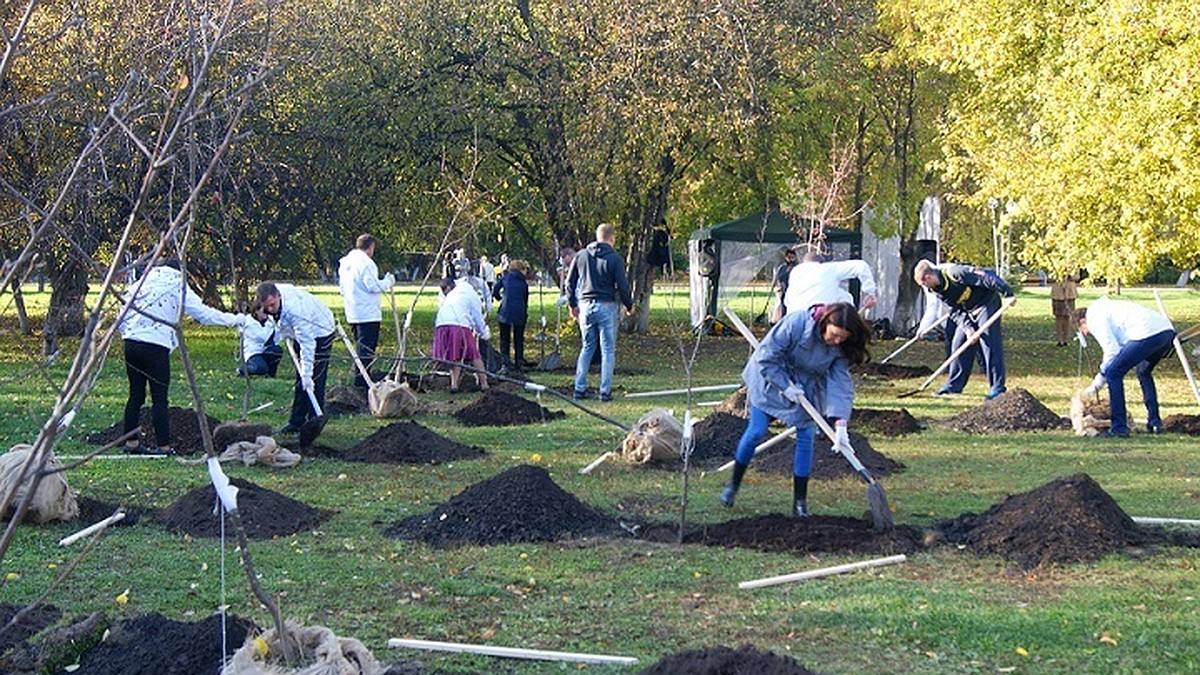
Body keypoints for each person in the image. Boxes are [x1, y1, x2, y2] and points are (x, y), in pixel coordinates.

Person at [720, 303, 872, 518]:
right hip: (770, 380)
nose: (837, 341)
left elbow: (840, 385)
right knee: (756, 431)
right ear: (824, 323)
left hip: (805, 390)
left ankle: (799, 503)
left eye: (842, 338)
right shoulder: (797, 323)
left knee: (806, 438)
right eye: (834, 335)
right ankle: (732, 486)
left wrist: (841, 425)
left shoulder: (841, 348)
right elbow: (766, 357)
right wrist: (786, 385)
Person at [117, 259, 248, 455]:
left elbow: (122, 313)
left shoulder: (142, 282)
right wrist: (237, 320)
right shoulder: (177, 285)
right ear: (181, 272)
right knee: (160, 399)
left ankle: (131, 442)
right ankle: (164, 446)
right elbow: (203, 315)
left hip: (131, 343)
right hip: (156, 345)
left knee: (135, 395)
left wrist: (126, 334)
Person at [914, 260, 1015, 399]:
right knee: (958, 343)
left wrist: (1007, 292)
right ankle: (953, 386)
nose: (926, 288)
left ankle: (997, 388)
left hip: (987, 303)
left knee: (989, 343)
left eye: (924, 284)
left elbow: (986, 276)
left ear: (928, 277)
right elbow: (954, 311)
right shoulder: (937, 290)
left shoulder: (956, 273)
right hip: (968, 310)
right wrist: (968, 329)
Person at [1076, 298, 1176, 437]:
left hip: (1146, 333)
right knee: (1143, 372)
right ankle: (1154, 422)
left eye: (1083, 331)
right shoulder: (1108, 309)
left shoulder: (1095, 319)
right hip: (1166, 331)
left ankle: (1119, 428)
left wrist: (1098, 382)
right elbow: (1122, 349)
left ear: (1082, 322)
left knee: (1113, 374)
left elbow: (1112, 351)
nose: (1087, 334)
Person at [256, 281, 336, 434]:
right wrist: (282, 330)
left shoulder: (296, 310)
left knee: (314, 378)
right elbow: (276, 319)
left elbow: (308, 344)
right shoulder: (270, 299)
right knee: (300, 379)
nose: (271, 309)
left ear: (278, 296)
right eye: (268, 307)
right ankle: (296, 421)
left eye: (273, 305)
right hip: (299, 332)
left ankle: (315, 421)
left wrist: (307, 375)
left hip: (320, 329)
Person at [566, 223, 634, 402]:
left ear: (597, 236)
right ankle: (605, 391)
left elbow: (569, 282)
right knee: (607, 350)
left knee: (587, 347)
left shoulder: (581, 255)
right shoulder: (615, 258)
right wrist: (629, 305)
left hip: (585, 306)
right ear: (612, 238)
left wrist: (572, 304)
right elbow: (622, 285)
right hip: (606, 305)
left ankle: (579, 388)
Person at [337, 234, 395, 390]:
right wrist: (388, 282)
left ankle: (361, 378)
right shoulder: (367, 263)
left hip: (352, 311)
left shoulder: (346, 263)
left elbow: (341, 288)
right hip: (368, 313)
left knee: (360, 347)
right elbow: (373, 286)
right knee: (367, 349)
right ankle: (362, 383)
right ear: (371, 247)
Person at [432, 277, 490, 393]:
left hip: (441, 324)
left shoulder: (453, 294)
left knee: (455, 354)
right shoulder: (472, 295)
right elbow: (477, 317)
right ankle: (484, 383)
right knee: (474, 354)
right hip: (459, 324)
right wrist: (483, 333)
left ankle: (454, 385)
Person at [784, 251, 878, 316]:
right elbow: (861, 266)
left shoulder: (795, 273)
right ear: (821, 263)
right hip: (818, 322)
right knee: (845, 298)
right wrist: (870, 293)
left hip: (792, 322)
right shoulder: (827, 268)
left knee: (843, 295)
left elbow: (786, 301)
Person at [492, 259, 530, 374]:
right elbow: (525, 298)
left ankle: (505, 364)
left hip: (505, 312)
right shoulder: (523, 282)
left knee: (504, 339)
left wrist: (499, 299)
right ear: (521, 269)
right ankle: (519, 364)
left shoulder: (505, 278)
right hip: (519, 312)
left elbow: (495, 290)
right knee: (519, 339)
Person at [237, 301, 282, 377]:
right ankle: (243, 370)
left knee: (277, 351)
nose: (267, 313)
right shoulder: (248, 322)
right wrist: (271, 324)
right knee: (260, 368)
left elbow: (277, 339)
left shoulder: (269, 321)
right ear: (256, 311)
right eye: (264, 311)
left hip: (265, 351)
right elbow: (262, 337)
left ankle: (271, 374)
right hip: (253, 353)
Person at [771, 248, 798, 323]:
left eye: (792, 257)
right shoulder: (782, 267)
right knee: (783, 308)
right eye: (788, 257)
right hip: (784, 291)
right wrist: (787, 272)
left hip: (795, 292)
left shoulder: (798, 267)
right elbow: (779, 277)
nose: (790, 259)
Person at [1050, 274, 1078, 346]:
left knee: (1067, 316)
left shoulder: (1073, 265)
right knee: (1058, 316)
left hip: (1070, 293)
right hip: (1057, 293)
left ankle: (1065, 339)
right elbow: (1050, 276)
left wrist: (1069, 276)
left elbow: (1077, 277)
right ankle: (1060, 340)